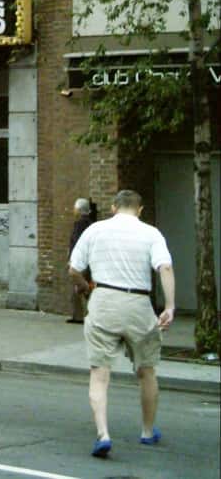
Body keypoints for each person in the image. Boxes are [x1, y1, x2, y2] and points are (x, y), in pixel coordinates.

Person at [68, 189, 175, 459]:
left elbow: (73, 268)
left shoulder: (95, 230)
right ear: (140, 210)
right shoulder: (151, 233)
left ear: (114, 207)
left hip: (104, 300)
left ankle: (103, 434)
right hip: (138, 303)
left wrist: (84, 287)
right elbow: (165, 268)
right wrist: (170, 307)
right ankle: (147, 432)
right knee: (146, 370)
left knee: (99, 373)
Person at [67, 198, 95, 323]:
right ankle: (82, 315)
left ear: (79, 210)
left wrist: (72, 259)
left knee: (80, 287)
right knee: (83, 287)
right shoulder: (91, 223)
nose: (73, 210)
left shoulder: (80, 224)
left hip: (79, 262)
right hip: (87, 260)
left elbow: (77, 243)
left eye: (74, 208)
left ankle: (79, 316)